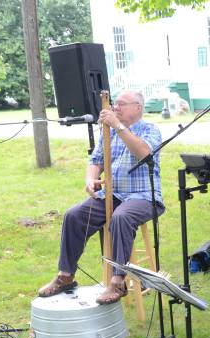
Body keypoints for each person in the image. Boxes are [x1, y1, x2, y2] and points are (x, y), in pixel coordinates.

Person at [38, 91, 163, 305]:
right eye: (116, 104)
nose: (116, 108)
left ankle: (117, 281)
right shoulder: (109, 132)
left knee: (121, 218)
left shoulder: (150, 129)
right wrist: (91, 179)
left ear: (138, 107)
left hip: (143, 197)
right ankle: (66, 276)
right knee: (74, 216)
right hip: (112, 194)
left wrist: (118, 126)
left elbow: (143, 152)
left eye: (122, 104)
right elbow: (96, 160)